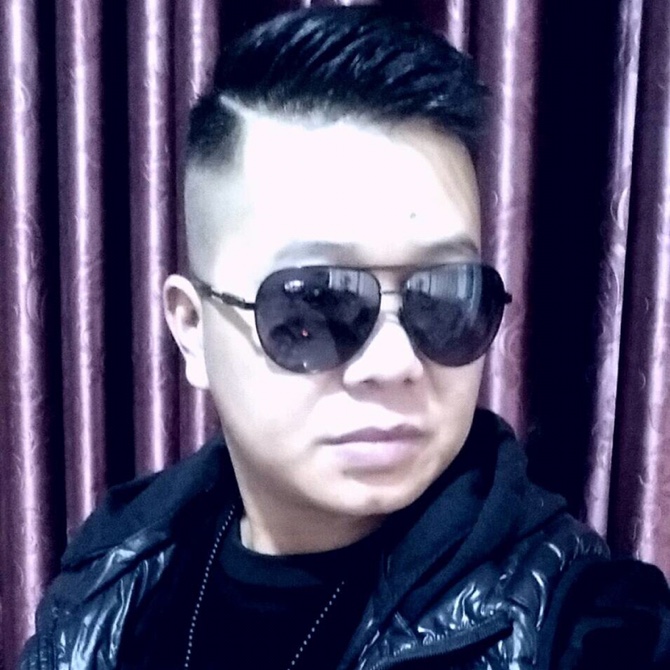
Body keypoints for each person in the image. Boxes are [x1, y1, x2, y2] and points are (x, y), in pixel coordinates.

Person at [20, 7, 670, 670]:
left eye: (443, 297)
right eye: (314, 306)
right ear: (192, 328)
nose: (394, 363)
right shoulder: (109, 575)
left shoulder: (587, 623)